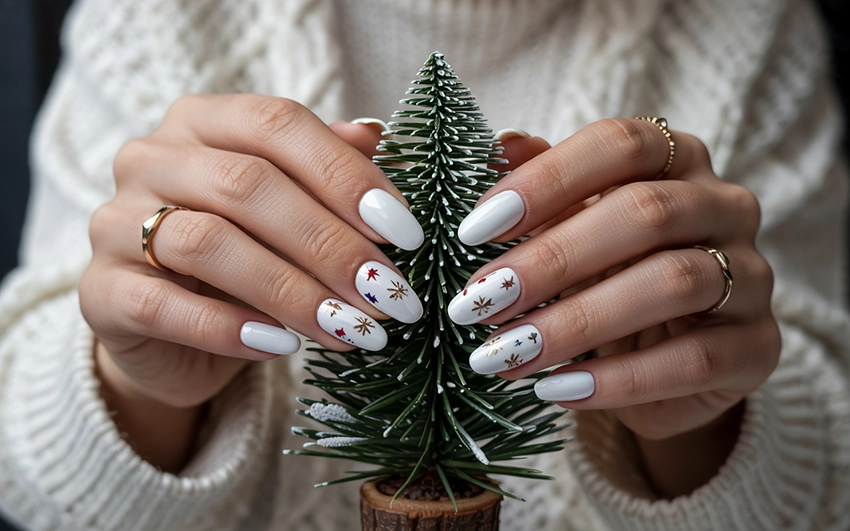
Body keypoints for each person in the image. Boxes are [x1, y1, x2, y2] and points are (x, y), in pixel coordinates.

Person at [1, 0, 848, 529]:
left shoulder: (753, 27)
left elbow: (827, 474)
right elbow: (29, 473)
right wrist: (136, 383)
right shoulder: (152, 17)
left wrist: (705, 422)